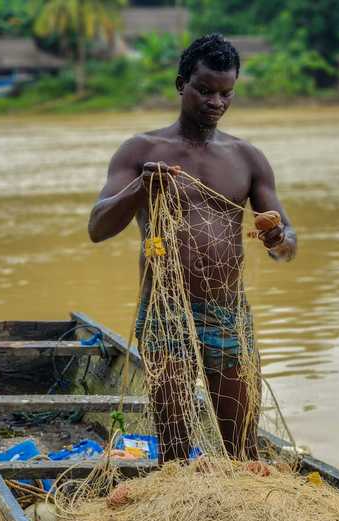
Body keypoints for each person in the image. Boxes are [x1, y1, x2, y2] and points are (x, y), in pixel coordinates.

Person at [88, 34, 296, 463]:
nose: (215, 102)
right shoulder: (142, 151)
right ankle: (179, 512)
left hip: (227, 310)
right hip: (167, 307)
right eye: (205, 90)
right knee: (175, 450)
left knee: (242, 446)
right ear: (181, 84)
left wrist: (278, 237)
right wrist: (141, 189)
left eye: (226, 93)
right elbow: (98, 227)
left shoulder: (247, 158)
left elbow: (286, 244)